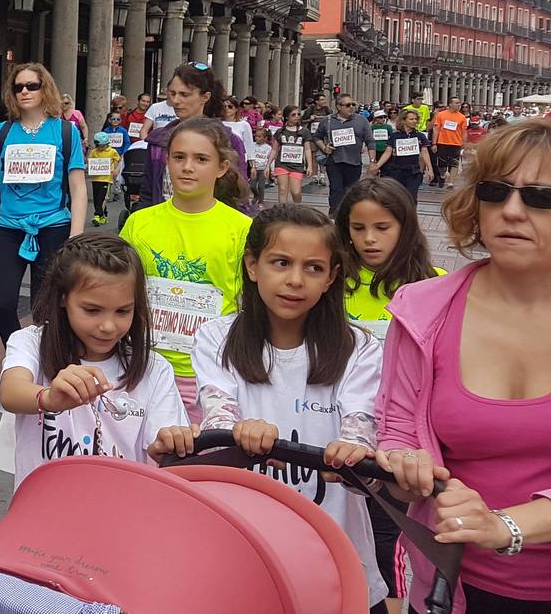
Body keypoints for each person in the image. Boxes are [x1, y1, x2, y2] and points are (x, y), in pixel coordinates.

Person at [373, 120, 551, 612]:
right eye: (496, 192)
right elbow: (396, 430)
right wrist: (402, 462)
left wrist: (506, 526)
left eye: (540, 197)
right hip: (451, 585)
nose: (512, 211)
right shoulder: (422, 310)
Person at [185, 204, 387, 611]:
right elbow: (218, 417)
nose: (295, 280)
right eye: (281, 263)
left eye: (313, 268)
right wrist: (238, 435)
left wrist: (352, 454)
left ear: (332, 278)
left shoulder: (360, 349)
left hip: (336, 554)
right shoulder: (215, 338)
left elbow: (360, 432)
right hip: (246, 550)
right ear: (253, 266)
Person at [0, 234, 186, 489]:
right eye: (92, 310)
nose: (107, 326)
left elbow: (161, 440)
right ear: (63, 297)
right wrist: (48, 398)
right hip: (41, 514)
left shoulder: (154, 368)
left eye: (123, 311)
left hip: (119, 515)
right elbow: (11, 391)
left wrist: (171, 443)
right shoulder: (31, 343)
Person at [335, 178, 446, 613]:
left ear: (406, 226)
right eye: (358, 228)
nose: (368, 239)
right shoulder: (334, 280)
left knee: (389, 543)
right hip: (337, 436)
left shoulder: (435, 286)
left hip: (401, 448)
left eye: (382, 227)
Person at [119, 118, 253, 423]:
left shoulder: (242, 230)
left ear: (221, 168)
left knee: (196, 466)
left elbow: (252, 305)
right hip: (144, 369)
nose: (187, 167)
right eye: (179, 157)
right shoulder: (139, 223)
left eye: (201, 159)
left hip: (210, 376)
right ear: (167, 161)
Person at [0, 62, 88, 344]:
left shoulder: (66, 132)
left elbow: (78, 188)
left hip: (53, 227)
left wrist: (75, 236)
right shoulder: (1, 132)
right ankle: (17, 353)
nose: (24, 92)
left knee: (44, 306)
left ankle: (44, 357)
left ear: (46, 89)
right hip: (10, 227)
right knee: (2, 302)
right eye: (18, 87)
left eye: (32, 85)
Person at [140, 63, 251, 211]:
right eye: (172, 93)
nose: (176, 100)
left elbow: (238, 196)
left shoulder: (228, 139)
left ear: (205, 97)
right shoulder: (158, 140)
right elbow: (148, 191)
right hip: (164, 223)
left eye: (184, 94)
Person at [314, 94, 377, 213]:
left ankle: (349, 214)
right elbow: (317, 137)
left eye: (353, 104)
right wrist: (324, 147)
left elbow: (370, 141)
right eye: (348, 105)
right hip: (334, 161)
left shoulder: (362, 121)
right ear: (339, 106)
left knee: (352, 191)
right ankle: (334, 214)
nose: (351, 107)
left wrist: (372, 161)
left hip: (354, 161)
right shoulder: (327, 120)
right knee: (336, 189)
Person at [370, 109, 433, 202]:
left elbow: (425, 152)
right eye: (411, 119)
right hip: (397, 171)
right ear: (403, 120)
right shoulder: (395, 136)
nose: (414, 121)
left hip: (413, 172)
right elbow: (388, 152)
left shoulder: (420, 136)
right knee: (396, 198)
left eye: (416, 119)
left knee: (411, 197)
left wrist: (430, 169)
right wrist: (377, 166)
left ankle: (410, 215)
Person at [269, 105, 315, 206]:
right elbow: (274, 149)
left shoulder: (304, 131)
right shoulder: (280, 132)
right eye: (293, 115)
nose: (297, 116)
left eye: (298, 114)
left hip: (297, 165)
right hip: (282, 164)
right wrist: (268, 165)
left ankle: (298, 206)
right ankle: (282, 211)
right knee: (282, 189)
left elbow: (307, 149)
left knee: (296, 191)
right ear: (287, 117)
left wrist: (309, 165)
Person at [86, 131, 121, 227]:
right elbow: (90, 162)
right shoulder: (94, 152)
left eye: (103, 145)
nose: (101, 147)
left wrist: (116, 170)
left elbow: (118, 160)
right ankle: (103, 216)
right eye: (99, 145)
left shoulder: (112, 151)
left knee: (102, 198)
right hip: (95, 178)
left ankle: (97, 215)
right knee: (97, 199)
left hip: (106, 179)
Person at [431, 97, 467, 188]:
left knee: (455, 163)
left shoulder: (462, 117)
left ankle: (451, 183)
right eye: (456, 103)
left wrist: (464, 143)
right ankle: (442, 176)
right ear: (450, 104)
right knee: (442, 164)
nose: (459, 105)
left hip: (456, 143)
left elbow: (464, 131)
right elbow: (436, 129)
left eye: (459, 103)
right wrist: (434, 143)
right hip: (443, 142)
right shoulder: (441, 115)